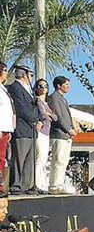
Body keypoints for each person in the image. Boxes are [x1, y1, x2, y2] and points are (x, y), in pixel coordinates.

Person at [7, 65, 41, 195]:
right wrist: (34, 120)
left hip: (31, 130)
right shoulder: (15, 88)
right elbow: (21, 108)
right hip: (22, 128)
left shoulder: (29, 90)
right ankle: (16, 185)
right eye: (31, 75)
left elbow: (35, 108)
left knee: (29, 160)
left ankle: (27, 185)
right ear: (24, 75)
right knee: (19, 158)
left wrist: (39, 120)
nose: (32, 77)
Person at [48, 76, 76, 195]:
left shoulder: (63, 99)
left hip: (66, 135)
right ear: (59, 85)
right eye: (66, 85)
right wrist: (68, 129)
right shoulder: (54, 97)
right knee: (58, 160)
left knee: (63, 161)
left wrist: (72, 128)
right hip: (59, 134)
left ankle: (59, 184)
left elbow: (67, 116)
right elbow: (58, 116)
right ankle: (54, 185)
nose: (68, 87)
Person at [33, 79, 56, 194]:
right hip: (40, 132)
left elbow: (55, 117)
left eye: (45, 86)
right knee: (40, 158)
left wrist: (50, 115)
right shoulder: (38, 101)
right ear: (36, 88)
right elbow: (43, 114)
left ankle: (41, 183)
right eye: (40, 86)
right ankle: (36, 183)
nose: (43, 88)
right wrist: (49, 115)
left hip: (47, 133)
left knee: (43, 159)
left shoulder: (47, 103)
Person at [0, 62, 15, 195]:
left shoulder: (3, 89)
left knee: (2, 158)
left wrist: (9, 129)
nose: (6, 72)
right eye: (4, 70)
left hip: (5, 128)